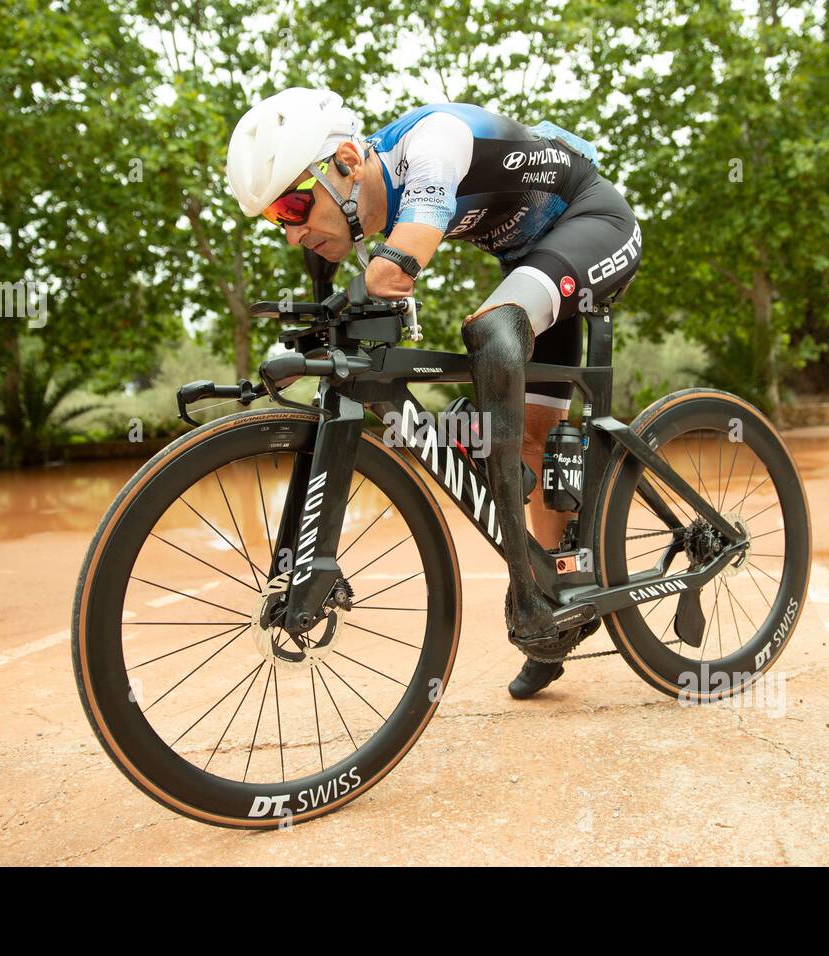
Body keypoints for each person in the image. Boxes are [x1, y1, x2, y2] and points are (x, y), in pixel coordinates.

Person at [226, 88, 642, 698]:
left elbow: (398, 268)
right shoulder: (335, 217)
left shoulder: (431, 144)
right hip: (533, 257)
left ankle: (525, 594)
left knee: (494, 332)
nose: (291, 233)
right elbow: (334, 296)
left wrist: (367, 289)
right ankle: (555, 601)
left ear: (344, 159)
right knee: (531, 436)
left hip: (595, 222)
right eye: (276, 220)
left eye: (293, 203)